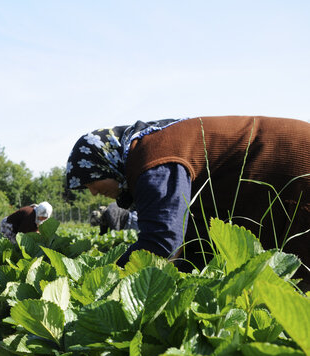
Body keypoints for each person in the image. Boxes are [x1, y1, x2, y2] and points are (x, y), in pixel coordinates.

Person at [65, 116, 310, 288]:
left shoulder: (153, 159)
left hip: (291, 163)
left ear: (104, 164)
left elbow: (163, 242)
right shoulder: (149, 149)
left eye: (89, 182)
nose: (93, 193)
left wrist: (102, 282)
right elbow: (191, 240)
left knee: (296, 275)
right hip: (279, 167)